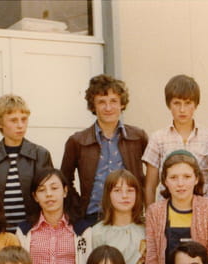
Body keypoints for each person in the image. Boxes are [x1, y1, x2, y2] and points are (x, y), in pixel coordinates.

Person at [61, 74, 147, 223]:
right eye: (101, 102)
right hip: (93, 217)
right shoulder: (77, 141)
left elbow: (152, 175)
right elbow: (64, 181)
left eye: (113, 101)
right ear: (93, 106)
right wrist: (78, 209)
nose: (108, 108)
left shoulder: (138, 137)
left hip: (130, 217)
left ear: (122, 104)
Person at [143, 74, 208, 210]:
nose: (182, 110)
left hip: (203, 210)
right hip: (168, 211)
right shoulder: (158, 138)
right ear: (169, 104)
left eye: (188, 103)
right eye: (177, 103)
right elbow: (150, 186)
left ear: (196, 104)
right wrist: (151, 217)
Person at [0, 94, 53, 232]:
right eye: (13, 120)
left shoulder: (41, 155)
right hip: (0, 231)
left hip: (33, 231)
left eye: (24, 119)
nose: (20, 125)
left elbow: (49, 196)